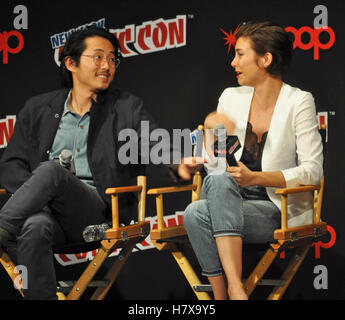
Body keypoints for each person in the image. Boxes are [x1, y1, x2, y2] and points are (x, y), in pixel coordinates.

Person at [0, 26, 180, 299]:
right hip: (47, 215)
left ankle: (2, 228)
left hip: (99, 216)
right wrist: (39, 194)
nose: (107, 65)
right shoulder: (38, 108)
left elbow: (156, 143)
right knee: (35, 226)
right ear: (71, 63)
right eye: (98, 57)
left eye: (112, 59)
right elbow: (10, 164)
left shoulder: (125, 107)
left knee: (51, 171)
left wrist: (179, 163)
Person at [181, 21, 323, 300]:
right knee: (215, 184)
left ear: (266, 59)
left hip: (275, 207)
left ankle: (229, 291)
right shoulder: (230, 97)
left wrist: (255, 178)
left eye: (240, 54)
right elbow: (216, 163)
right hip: (227, 198)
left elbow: (312, 171)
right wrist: (202, 151)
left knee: (195, 214)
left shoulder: (299, 102)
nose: (233, 62)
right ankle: (231, 290)